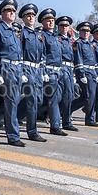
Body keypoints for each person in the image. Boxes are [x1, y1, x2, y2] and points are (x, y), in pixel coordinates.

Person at [0, 0, 26, 146]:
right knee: (11, 102)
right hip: (6, 69)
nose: (12, 13)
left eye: (13, 11)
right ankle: (13, 136)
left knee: (15, 101)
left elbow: (18, 52)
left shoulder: (14, 31)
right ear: (2, 13)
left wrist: (22, 70)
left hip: (17, 69)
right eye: (9, 11)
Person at [18, 3, 47, 142]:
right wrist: (22, 72)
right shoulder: (21, 34)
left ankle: (14, 116)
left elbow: (42, 55)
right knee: (32, 101)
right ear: (23, 18)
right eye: (28, 15)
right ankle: (32, 131)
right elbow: (19, 53)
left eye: (33, 15)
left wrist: (43, 71)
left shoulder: (39, 35)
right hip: (27, 69)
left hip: (37, 70)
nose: (31, 17)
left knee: (39, 100)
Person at [39, 8, 68, 136]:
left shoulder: (56, 38)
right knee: (53, 99)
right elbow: (41, 54)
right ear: (42, 22)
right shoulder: (42, 36)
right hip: (49, 72)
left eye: (52, 20)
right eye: (47, 20)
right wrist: (44, 71)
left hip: (58, 72)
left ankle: (39, 114)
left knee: (56, 98)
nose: (50, 22)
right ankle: (55, 126)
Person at [73, 21, 98, 127]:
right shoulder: (78, 44)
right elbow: (78, 59)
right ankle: (89, 119)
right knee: (89, 96)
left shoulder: (90, 45)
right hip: (84, 72)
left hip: (91, 72)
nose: (86, 33)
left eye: (88, 31)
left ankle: (65, 109)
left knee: (88, 97)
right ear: (80, 32)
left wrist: (95, 74)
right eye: (84, 31)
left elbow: (93, 61)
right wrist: (81, 74)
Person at [56, 16, 79, 131]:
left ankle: (66, 121)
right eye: (62, 25)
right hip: (61, 68)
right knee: (59, 96)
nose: (64, 27)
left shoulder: (70, 41)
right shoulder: (57, 39)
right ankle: (53, 119)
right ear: (58, 27)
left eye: (66, 26)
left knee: (69, 96)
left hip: (69, 69)